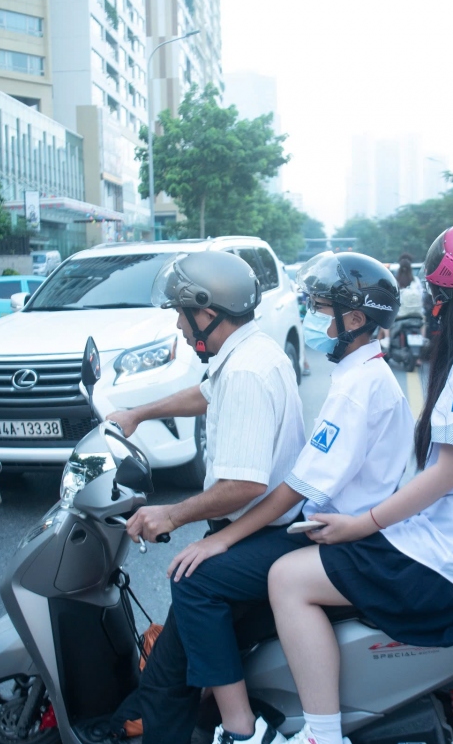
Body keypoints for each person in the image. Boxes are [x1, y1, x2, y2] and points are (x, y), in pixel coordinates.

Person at [265, 218, 453, 744]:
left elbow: (447, 472)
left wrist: (360, 525)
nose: (431, 298)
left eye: (436, 288)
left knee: (287, 577)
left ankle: (321, 735)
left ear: (451, 293)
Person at [163, 252, 413, 744]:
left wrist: (221, 539)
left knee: (196, 579)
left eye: (319, 308)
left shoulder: (358, 389)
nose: (309, 317)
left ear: (355, 320)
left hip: (333, 538)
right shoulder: (361, 375)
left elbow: (296, 489)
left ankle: (240, 728)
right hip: (335, 527)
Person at [106, 250, 306, 743]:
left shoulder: (243, 372)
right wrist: (138, 412)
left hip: (267, 532)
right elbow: (206, 394)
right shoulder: (249, 352)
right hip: (270, 524)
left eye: (180, 313)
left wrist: (171, 515)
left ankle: (241, 731)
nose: (177, 325)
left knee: (192, 581)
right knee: (167, 673)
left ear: (206, 310)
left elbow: (244, 486)